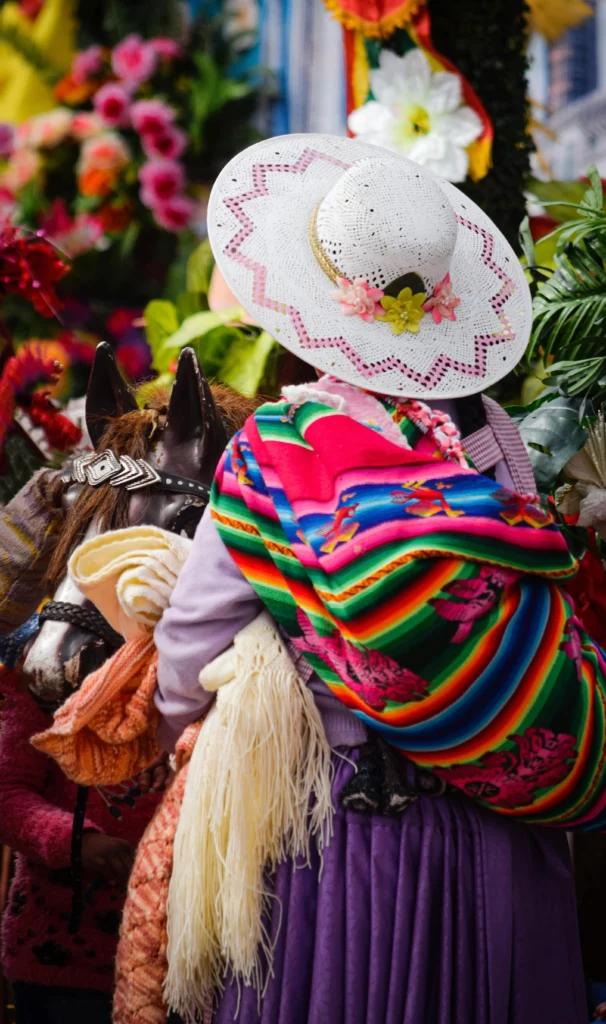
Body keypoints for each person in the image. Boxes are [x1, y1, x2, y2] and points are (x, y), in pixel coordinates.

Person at [149, 133, 603, 1022]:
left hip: (344, 836)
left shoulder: (277, 447)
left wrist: (182, 735)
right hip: (500, 825)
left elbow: (188, 646)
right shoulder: (491, 438)